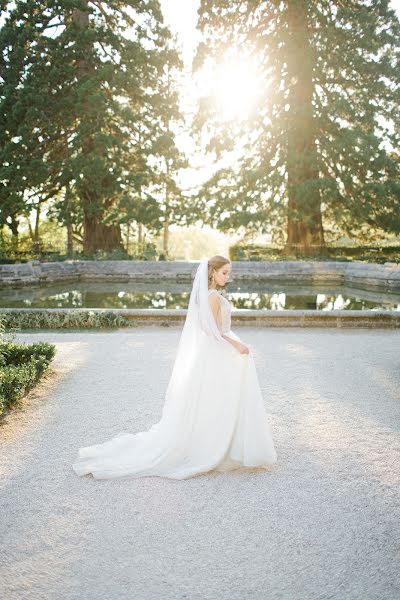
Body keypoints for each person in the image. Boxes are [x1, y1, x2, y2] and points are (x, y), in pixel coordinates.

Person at [72, 256, 277, 480]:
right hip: (219, 348)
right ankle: (217, 444)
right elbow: (212, 331)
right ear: (212, 273)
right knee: (220, 397)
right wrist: (237, 345)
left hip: (217, 349)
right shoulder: (213, 297)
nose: (228, 277)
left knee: (220, 397)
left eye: (229, 272)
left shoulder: (207, 295)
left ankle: (225, 441)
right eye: (224, 272)